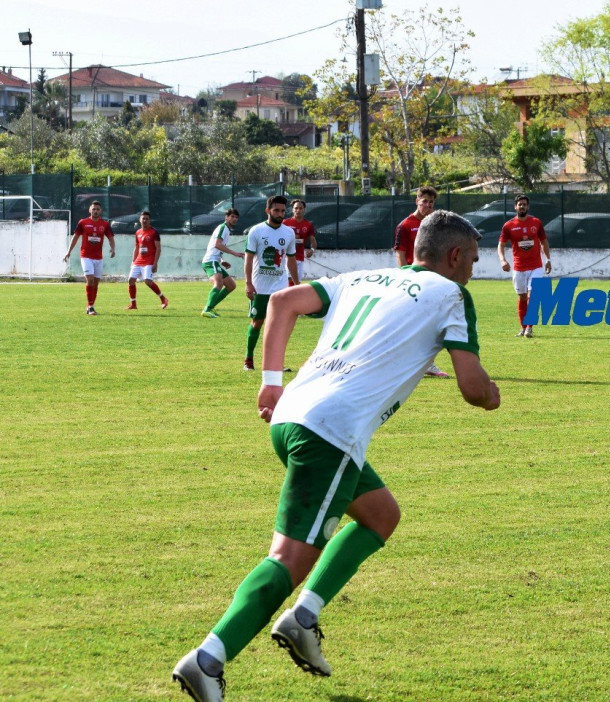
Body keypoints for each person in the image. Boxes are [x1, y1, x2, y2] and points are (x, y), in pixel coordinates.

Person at [170, 211, 499, 702]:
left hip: (292, 416)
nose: (473, 268)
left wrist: (271, 383)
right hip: (331, 432)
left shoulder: (363, 277)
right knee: (289, 558)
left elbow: (282, 302)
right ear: (454, 256)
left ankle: (302, 619)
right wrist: (493, 394)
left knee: (381, 514)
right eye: (472, 259)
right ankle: (208, 658)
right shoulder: (451, 294)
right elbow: (474, 390)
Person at [395, 186, 450, 377]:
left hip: (432, 278)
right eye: (424, 201)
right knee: (414, 321)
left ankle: (426, 362)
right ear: (416, 201)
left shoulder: (435, 224)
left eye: (431, 202)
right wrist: (405, 276)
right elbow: (400, 253)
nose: (428, 205)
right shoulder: (406, 225)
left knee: (431, 320)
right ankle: (412, 361)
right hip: (414, 278)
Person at [243, 196, 299, 371]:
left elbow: (291, 261)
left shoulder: (289, 233)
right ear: (268, 211)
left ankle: (275, 365)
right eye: (276, 210)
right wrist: (248, 283)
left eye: (283, 211)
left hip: (280, 287)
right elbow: (249, 258)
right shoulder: (256, 231)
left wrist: (296, 284)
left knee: (278, 327)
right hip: (260, 287)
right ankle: (248, 361)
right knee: (257, 323)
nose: (280, 214)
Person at [497, 195, 551, 337]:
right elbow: (501, 245)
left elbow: (544, 242)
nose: (522, 206)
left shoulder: (536, 223)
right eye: (520, 204)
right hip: (519, 268)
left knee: (532, 296)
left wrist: (548, 259)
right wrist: (503, 260)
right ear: (515, 207)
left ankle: (529, 328)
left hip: (536, 266)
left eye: (524, 204)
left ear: (528, 207)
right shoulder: (509, 226)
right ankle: (523, 327)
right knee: (522, 297)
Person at [63, 201, 116, 315]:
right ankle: (91, 307)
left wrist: (113, 248)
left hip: (98, 258)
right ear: (89, 210)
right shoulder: (83, 222)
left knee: (96, 283)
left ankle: (90, 306)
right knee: (90, 279)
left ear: (100, 211)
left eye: (97, 209)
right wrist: (68, 252)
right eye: (94, 209)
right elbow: (75, 237)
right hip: (86, 256)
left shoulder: (105, 224)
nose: (95, 211)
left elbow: (111, 237)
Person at [201, 209, 246, 318]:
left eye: (236, 217)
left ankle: (211, 307)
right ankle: (207, 309)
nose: (234, 219)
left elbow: (215, 247)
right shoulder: (223, 228)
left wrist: (222, 260)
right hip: (210, 261)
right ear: (227, 217)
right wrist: (233, 253)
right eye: (232, 217)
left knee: (231, 285)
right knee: (219, 283)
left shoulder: (226, 229)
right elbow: (217, 244)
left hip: (215, 260)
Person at [126, 210, 169, 310]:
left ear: (150, 221)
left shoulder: (154, 232)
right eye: (143, 218)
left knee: (148, 281)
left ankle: (163, 298)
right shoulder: (138, 232)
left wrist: (155, 263)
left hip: (149, 261)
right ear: (140, 220)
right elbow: (136, 247)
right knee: (131, 280)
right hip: (138, 261)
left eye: (147, 219)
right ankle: (133, 304)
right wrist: (133, 261)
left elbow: (158, 248)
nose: (145, 220)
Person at [283, 199, 318, 286]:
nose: (298, 210)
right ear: (292, 210)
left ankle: (294, 298)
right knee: (289, 279)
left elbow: (313, 241)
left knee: (297, 282)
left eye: (300, 208)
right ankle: (288, 298)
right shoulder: (285, 223)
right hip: (287, 257)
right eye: (296, 208)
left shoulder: (308, 225)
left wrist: (312, 250)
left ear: (304, 210)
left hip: (300, 258)